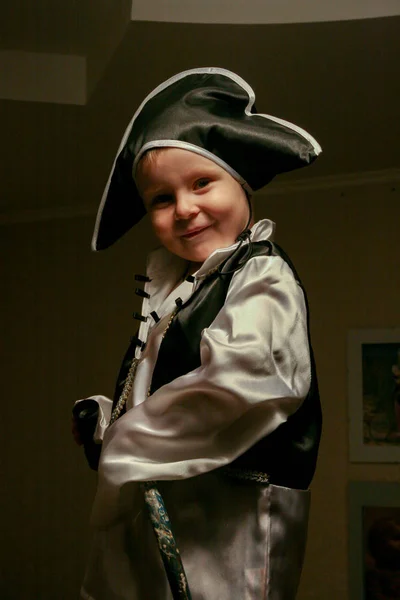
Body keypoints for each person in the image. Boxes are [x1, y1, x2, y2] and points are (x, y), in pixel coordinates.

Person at [73, 67, 322, 600]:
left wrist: (124, 445)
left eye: (202, 183)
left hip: (230, 523)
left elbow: (244, 381)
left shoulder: (261, 273)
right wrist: (106, 421)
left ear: (242, 183)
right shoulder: (172, 291)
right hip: (165, 516)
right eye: (161, 200)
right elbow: (157, 390)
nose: (184, 208)